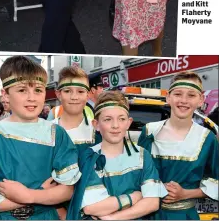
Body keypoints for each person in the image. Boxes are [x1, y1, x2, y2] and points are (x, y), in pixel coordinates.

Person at [0, 55, 81, 220]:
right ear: (5, 95)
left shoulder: (56, 133)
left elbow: (66, 190)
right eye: (22, 90)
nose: (32, 98)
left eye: (38, 90)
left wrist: (28, 195)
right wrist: (40, 194)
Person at [67, 90, 167, 220]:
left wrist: (113, 218)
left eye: (121, 119)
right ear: (96, 125)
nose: (115, 125)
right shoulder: (89, 157)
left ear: (128, 122)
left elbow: (152, 203)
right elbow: (92, 207)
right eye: (108, 119)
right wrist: (135, 197)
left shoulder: (142, 155)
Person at [138, 71, 219, 220]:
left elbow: (215, 180)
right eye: (178, 94)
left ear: (201, 99)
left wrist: (185, 194)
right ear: (168, 97)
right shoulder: (149, 131)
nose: (184, 100)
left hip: (184, 215)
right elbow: (137, 173)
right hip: (148, 214)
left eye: (191, 95)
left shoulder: (207, 138)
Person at [53, 66, 101, 154]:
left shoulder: (98, 132)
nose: (74, 97)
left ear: (88, 95)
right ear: (59, 94)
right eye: (67, 91)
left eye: (80, 92)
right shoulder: (46, 131)